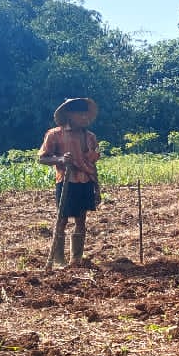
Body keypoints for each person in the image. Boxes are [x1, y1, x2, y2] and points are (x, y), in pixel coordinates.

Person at [38, 97, 101, 268]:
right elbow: (42, 158)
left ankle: (76, 260)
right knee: (62, 220)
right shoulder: (54, 134)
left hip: (85, 181)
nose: (84, 117)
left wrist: (97, 187)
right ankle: (59, 260)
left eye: (85, 114)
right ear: (69, 115)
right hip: (66, 181)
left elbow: (92, 165)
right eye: (80, 114)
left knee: (81, 220)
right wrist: (60, 159)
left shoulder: (90, 137)